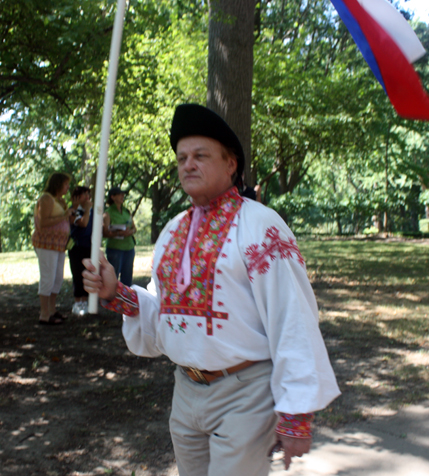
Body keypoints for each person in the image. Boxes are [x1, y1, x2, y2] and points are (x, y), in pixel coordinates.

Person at [83, 104, 340, 476]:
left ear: (231, 164)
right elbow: (164, 312)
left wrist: (296, 412)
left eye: (201, 156)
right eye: (182, 157)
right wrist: (115, 293)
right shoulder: (172, 231)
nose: (188, 164)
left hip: (245, 393)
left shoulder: (261, 226)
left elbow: (293, 318)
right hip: (185, 390)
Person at [32, 172, 73, 325]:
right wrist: (64, 216)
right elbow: (43, 223)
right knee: (48, 277)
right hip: (46, 244)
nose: (68, 188)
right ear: (58, 184)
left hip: (59, 245)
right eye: (65, 184)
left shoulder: (59, 201)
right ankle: (44, 314)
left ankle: (52, 309)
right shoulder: (46, 199)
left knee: (58, 277)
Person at [103, 187, 136, 286]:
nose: (122, 196)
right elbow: (104, 233)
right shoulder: (108, 213)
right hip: (115, 249)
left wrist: (130, 232)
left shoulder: (126, 211)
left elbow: (134, 228)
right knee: (113, 277)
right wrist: (118, 233)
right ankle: (112, 299)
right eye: (120, 194)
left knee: (127, 277)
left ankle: (125, 299)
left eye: (123, 194)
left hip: (129, 248)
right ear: (113, 197)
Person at [68, 186, 93, 316]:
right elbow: (82, 223)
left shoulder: (93, 211)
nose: (87, 197)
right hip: (76, 248)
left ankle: (86, 301)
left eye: (88, 194)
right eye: (84, 195)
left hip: (89, 247)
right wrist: (87, 210)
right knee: (78, 274)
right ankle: (78, 302)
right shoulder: (73, 211)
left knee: (88, 273)